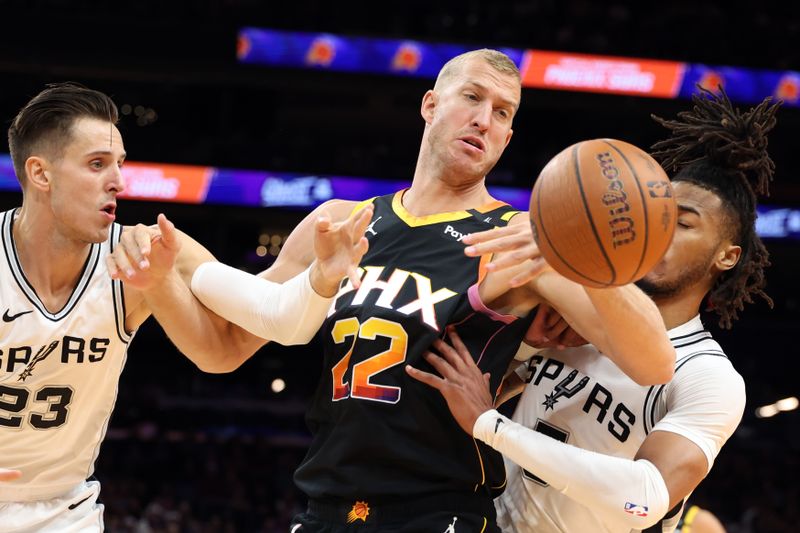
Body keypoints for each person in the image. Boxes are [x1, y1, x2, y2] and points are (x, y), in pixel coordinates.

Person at [145, 48, 676, 532]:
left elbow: (655, 364)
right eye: (472, 98)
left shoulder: (517, 241)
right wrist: (157, 278)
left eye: (502, 113)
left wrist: (589, 264)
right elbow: (222, 348)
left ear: (508, 137)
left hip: (437, 510)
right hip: (326, 507)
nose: (483, 120)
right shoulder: (340, 223)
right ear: (429, 104)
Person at [0, 82, 372, 532]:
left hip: (63, 512)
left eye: (119, 164)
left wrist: (315, 272)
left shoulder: (146, 250)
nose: (118, 180)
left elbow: (243, 337)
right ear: (41, 174)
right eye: (97, 164)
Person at [408, 87, 779, 532]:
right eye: (656, 216)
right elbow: (459, 396)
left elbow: (642, 499)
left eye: (681, 223)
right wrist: (522, 351)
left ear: (727, 255)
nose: (661, 231)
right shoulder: (568, 318)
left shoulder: (708, 376)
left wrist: (490, 425)